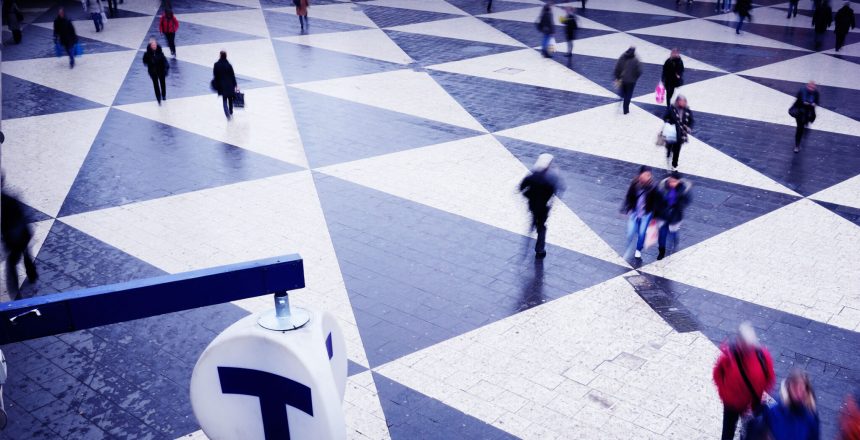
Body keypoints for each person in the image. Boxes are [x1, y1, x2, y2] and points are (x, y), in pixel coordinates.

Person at [713, 322, 776, 440]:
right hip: (732, 403)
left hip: (752, 402)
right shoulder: (728, 357)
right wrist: (726, 396)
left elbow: (770, 377)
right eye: (745, 345)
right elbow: (717, 375)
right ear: (739, 342)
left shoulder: (762, 356)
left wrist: (760, 394)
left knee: (751, 431)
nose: (748, 348)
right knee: (728, 430)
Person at [519, 154, 565, 259]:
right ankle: (540, 249)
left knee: (535, 219)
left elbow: (521, 188)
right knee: (542, 227)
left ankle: (532, 228)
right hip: (543, 207)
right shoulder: (550, 179)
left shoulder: (531, 176)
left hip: (532, 205)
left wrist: (528, 195)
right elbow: (557, 190)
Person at [1, 189, 38, 301]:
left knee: (12, 265)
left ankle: (16, 295)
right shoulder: (10, 198)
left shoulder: (7, 200)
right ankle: (32, 277)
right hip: (20, 236)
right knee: (25, 256)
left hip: (16, 238)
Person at [763, 370, 820, 440]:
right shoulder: (774, 407)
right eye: (795, 389)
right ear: (789, 388)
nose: (799, 394)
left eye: (802, 390)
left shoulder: (811, 415)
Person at [621, 166, 659, 259]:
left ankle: (638, 249)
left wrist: (655, 215)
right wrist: (625, 208)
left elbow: (655, 202)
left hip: (646, 214)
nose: (649, 177)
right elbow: (629, 196)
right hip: (634, 212)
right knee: (630, 233)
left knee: (642, 233)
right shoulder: (634, 183)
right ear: (640, 174)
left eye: (649, 175)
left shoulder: (653, 186)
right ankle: (629, 247)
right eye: (646, 174)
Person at [655, 171, 691, 260]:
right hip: (663, 216)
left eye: (674, 181)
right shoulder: (662, 187)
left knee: (673, 233)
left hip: (675, 216)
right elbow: (656, 200)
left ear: (678, 181)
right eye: (670, 181)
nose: (671, 183)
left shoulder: (683, 190)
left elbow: (686, 202)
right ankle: (661, 252)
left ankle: (675, 243)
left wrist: (677, 204)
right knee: (662, 236)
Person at [663, 95, 694, 170]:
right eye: (681, 101)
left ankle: (674, 164)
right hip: (672, 131)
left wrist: (689, 127)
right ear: (677, 101)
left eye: (684, 101)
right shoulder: (671, 108)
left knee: (677, 149)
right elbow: (665, 117)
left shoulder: (687, 110)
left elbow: (691, 120)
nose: (682, 103)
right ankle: (668, 155)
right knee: (669, 146)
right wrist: (669, 122)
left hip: (681, 133)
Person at [790, 81, 819, 153]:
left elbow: (817, 101)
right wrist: (804, 103)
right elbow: (798, 101)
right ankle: (797, 145)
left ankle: (806, 123)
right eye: (810, 87)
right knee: (799, 129)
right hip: (800, 112)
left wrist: (814, 104)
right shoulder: (801, 91)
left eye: (813, 87)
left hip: (808, 112)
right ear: (807, 86)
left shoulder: (816, 93)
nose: (811, 89)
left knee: (805, 123)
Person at [614, 47, 642, 115]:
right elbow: (639, 71)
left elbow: (617, 68)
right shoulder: (635, 60)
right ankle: (626, 110)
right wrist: (635, 78)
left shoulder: (622, 57)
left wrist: (617, 77)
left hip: (622, 80)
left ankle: (621, 99)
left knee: (623, 93)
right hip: (631, 82)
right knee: (628, 95)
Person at [143, 37, 169, 105]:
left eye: (155, 45)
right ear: (150, 46)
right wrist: (149, 61)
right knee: (156, 85)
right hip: (153, 71)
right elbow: (144, 61)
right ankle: (158, 98)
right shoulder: (147, 53)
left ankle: (163, 95)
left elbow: (164, 60)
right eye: (153, 45)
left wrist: (166, 67)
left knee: (162, 83)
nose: (154, 46)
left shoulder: (160, 51)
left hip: (161, 70)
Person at [213, 50, 238, 119]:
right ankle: (231, 111)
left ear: (220, 56)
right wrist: (235, 85)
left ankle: (227, 115)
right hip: (230, 85)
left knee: (224, 100)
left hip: (222, 85)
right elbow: (233, 75)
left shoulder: (216, 65)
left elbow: (215, 75)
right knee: (230, 98)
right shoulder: (229, 65)